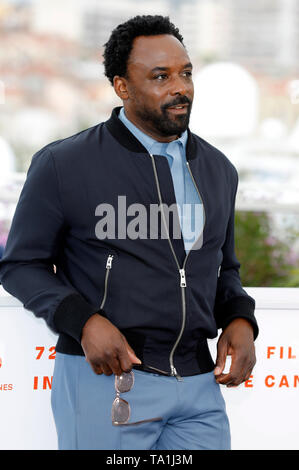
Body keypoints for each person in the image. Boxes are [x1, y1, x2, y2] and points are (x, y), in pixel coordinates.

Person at [0, 15, 258, 450]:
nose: (181, 87)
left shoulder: (218, 170)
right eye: (161, 76)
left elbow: (223, 267)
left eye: (186, 72)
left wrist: (240, 318)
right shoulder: (65, 164)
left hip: (198, 388)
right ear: (122, 86)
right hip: (107, 382)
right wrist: (83, 321)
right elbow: (21, 265)